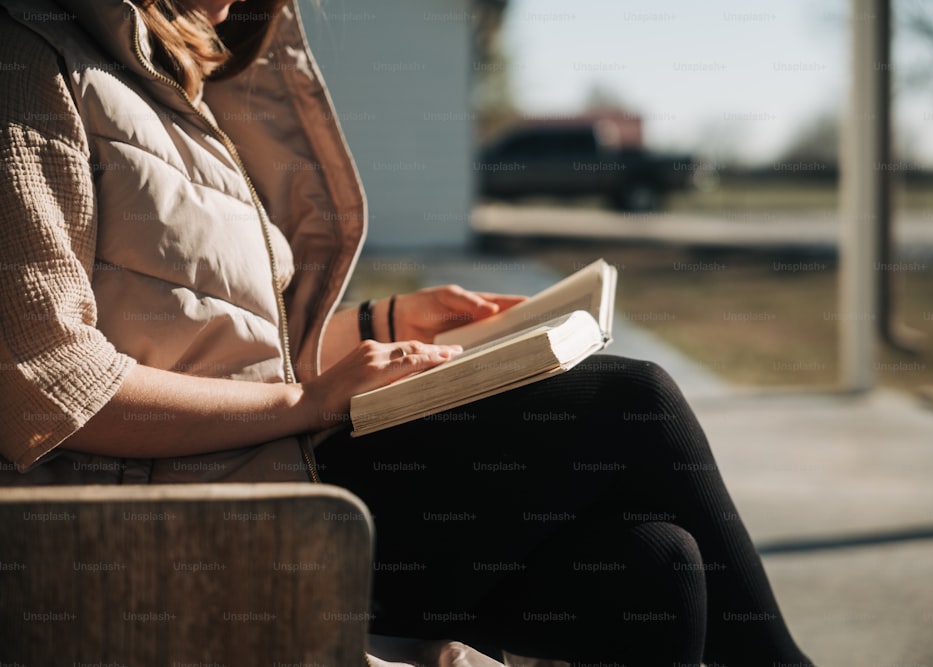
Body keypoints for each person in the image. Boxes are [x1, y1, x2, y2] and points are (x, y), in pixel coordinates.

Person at [0, 0, 815, 664]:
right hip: (184, 522)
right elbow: (45, 384)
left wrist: (386, 322)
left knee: (656, 570)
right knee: (634, 401)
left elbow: (213, 338)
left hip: (272, 464)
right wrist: (307, 400)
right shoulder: (31, 58)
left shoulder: (172, 84)